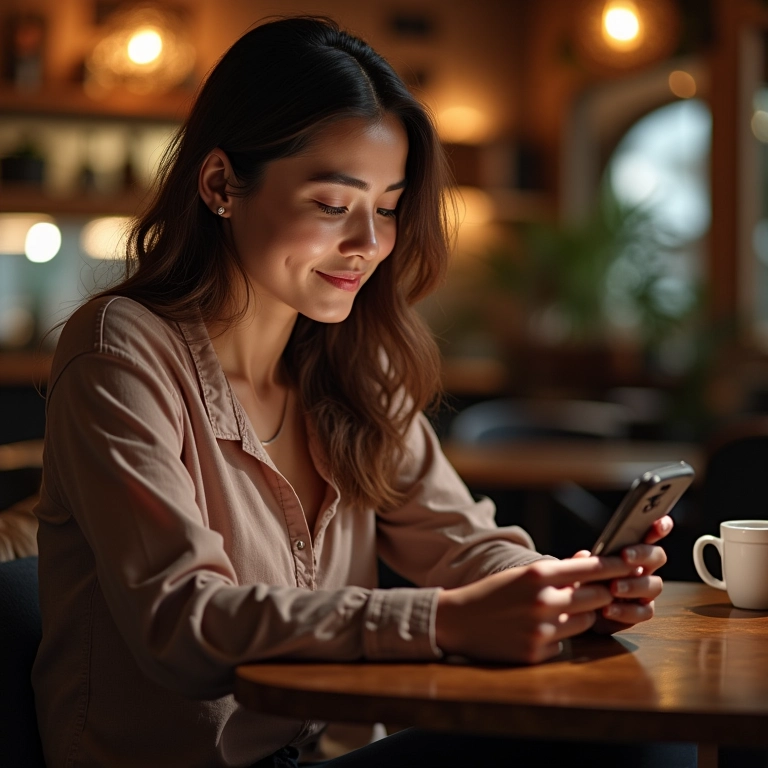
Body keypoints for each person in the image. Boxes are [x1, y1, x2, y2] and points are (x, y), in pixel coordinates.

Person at [32, 16, 695, 768]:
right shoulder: (120, 349)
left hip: (334, 753)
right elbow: (182, 623)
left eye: (385, 207)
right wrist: (442, 625)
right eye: (330, 204)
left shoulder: (355, 363)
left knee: (644, 728)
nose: (370, 244)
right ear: (220, 184)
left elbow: (461, 542)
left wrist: (555, 596)